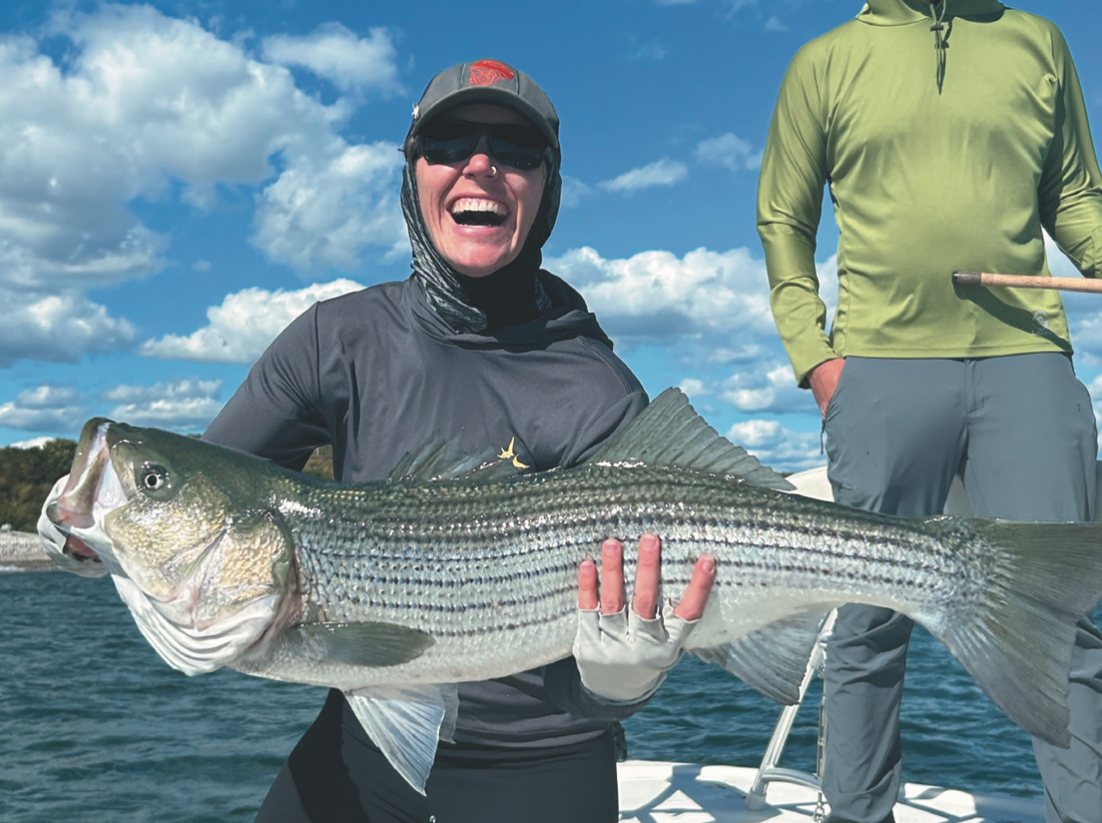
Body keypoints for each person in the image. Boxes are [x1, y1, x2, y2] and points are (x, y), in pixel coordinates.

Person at [199, 59, 714, 823]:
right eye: (448, 142)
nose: (481, 164)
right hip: (364, 737)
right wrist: (96, 518)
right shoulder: (334, 340)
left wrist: (626, 679)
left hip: (545, 759)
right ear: (412, 174)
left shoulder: (599, 387)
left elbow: (601, 687)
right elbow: (210, 498)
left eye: (515, 150)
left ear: (547, 189)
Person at [757, 3, 1102, 823]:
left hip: (1028, 359)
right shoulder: (824, 61)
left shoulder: (1038, 43)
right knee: (871, 619)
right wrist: (817, 358)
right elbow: (784, 217)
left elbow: (1076, 196)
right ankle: (858, 812)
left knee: (1065, 616)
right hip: (878, 367)